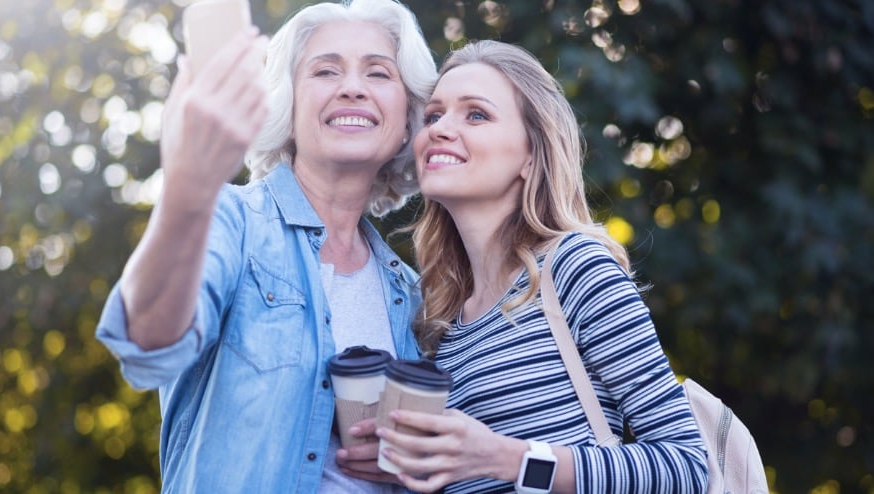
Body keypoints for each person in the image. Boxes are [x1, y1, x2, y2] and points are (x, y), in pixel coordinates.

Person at [94, 0, 437, 491]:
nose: (353, 87)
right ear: (287, 105)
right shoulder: (229, 221)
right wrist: (187, 189)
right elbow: (148, 345)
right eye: (325, 70)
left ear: (406, 120)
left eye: (379, 73)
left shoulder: (412, 293)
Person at [368, 40, 709, 493]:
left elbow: (686, 466)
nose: (440, 129)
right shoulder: (438, 321)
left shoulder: (575, 268)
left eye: (476, 115)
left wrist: (509, 458)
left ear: (531, 155)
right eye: (433, 115)